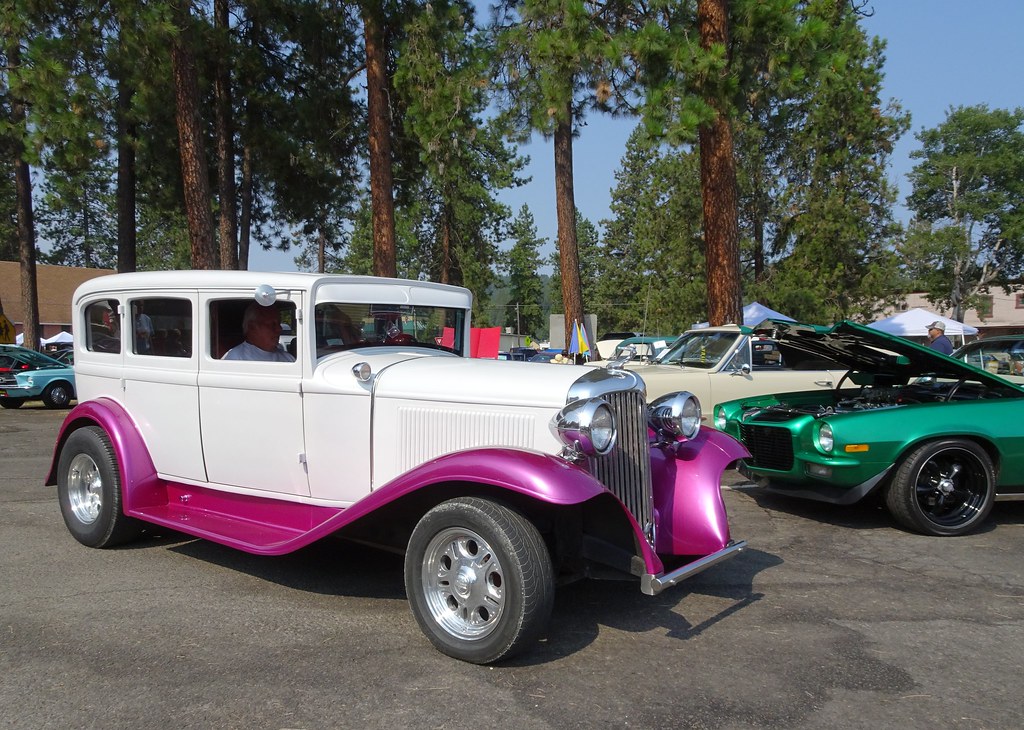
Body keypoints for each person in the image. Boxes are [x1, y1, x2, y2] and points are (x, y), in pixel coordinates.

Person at [222, 303, 295, 362]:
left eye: (279, 323)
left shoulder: (288, 359)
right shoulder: (235, 358)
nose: (279, 329)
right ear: (252, 327)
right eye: (272, 324)